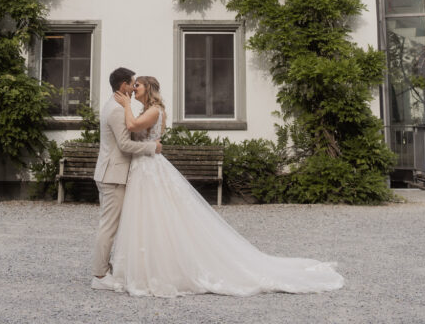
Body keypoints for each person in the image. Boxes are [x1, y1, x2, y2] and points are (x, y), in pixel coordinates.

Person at [105, 75, 344, 298]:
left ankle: (162, 270)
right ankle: (146, 265)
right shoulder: (147, 109)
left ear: (149, 90)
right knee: (146, 217)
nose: (133, 89)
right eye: (132, 86)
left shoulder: (155, 111)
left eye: (138, 86)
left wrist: (125, 105)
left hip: (150, 168)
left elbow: (134, 127)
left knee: (158, 215)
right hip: (142, 168)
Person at [91, 67, 162, 289]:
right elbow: (124, 144)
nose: (134, 87)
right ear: (123, 86)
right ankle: (100, 276)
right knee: (109, 226)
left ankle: (105, 269)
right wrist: (153, 147)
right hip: (113, 174)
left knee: (112, 224)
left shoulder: (116, 105)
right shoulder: (116, 110)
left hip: (114, 172)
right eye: (132, 83)